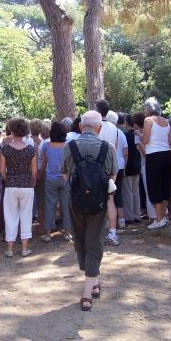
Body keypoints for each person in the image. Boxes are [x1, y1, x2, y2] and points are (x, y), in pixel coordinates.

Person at [61, 110, 117, 311]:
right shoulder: (107, 147)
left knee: (81, 240)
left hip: (74, 201)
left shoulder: (70, 146)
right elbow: (112, 177)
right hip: (99, 203)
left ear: (80, 126)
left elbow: (65, 174)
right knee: (95, 241)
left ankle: (91, 284)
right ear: (99, 127)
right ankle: (88, 292)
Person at [0, 117, 37, 258]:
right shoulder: (30, 149)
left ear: (12, 130)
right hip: (27, 185)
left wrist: (7, 179)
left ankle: (9, 249)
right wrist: (31, 181)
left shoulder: (6, 150)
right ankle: (24, 248)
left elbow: (3, 170)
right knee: (26, 216)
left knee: (10, 216)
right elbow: (34, 171)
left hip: (11, 185)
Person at [140, 97, 171, 229]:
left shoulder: (148, 120)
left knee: (154, 185)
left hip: (153, 155)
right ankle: (163, 217)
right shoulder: (166, 121)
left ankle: (158, 219)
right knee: (165, 186)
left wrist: (139, 134)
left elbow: (146, 139)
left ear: (148, 109)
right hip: (166, 155)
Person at [95, 100, 121, 246]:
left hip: (95, 167)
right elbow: (115, 148)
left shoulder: (95, 125)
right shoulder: (114, 128)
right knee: (110, 199)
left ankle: (95, 232)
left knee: (93, 198)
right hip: (110, 167)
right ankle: (112, 232)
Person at [41, 122, 72, 243]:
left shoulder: (46, 145)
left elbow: (44, 163)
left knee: (49, 205)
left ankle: (48, 234)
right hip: (65, 178)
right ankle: (67, 233)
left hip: (51, 178)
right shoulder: (68, 145)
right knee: (66, 205)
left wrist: (39, 175)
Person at [132, 112, 156, 221]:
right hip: (155, 161)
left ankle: (153, 216)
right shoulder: (151, 130)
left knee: (149, 191)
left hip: (146, 164)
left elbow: (144, 152)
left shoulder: (137, 135)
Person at [107, 110, 128, 228]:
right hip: (120, 166)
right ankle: (121, 220)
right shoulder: (121, 133)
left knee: (108, 195)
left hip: (109, 167)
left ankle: (109, 222)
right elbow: (126, 152)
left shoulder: (104, 131)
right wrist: (124, 166)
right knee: (118, 193)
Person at [122, 114, 141, 223]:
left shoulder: (125, 136)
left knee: (128, 191)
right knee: (135, 191)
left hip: (128, 166)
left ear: (126, 123)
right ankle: (137, 215)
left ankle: (129, 216)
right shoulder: (137, 134)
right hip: (137, 165)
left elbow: (125, 153)